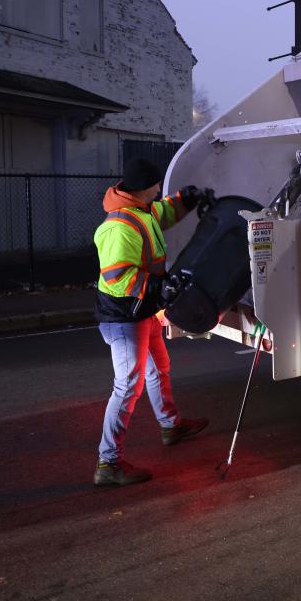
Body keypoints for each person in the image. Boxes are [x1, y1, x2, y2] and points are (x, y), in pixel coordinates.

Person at [92, 158, 210, 487]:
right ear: (146, 187)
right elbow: (117, 277)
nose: (161, 191)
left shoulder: (141, 210)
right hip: (125, 314)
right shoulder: (120, 226)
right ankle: (108, 462)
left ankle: (171, 425)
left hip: (140, 309)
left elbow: (163, 214)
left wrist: (187, 199)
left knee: (159, 366)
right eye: (158, 186)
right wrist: (159, 287)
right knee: (128, 386)